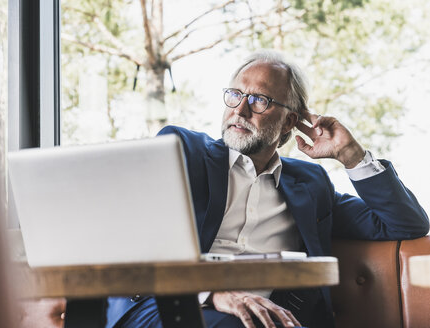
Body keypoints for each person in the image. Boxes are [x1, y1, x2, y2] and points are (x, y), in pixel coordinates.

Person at [105, 50, 429, 328]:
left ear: (290, 122)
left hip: (261, 319)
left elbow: (405, 223)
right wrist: (215, 294)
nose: (240, 109)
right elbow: (134, 240)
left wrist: (351, 155)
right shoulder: (181, 150)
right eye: (235, 94)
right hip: (166, 306)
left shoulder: (310, 185)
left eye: (259, 100)